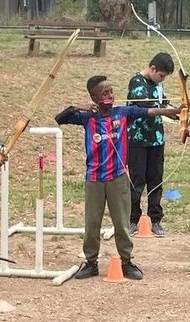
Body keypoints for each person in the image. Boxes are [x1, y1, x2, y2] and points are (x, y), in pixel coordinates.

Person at [55, 75, 180, 281]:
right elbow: (60, 118)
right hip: (94, 178)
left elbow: (150, 111)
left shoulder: (123, 113)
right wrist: (81, 107)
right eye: (105, 93)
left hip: (118, 177)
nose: (110, 95)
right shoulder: (87, 117)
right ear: (95, 97)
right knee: (92, 223)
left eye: (111, 91)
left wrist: (175, 111)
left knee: (121, 222)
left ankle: (127, 261)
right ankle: (91, 262)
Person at [127, 52, 175, 237]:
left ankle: (155, 220)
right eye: (161, 75)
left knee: (156, 179)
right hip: (137, 140)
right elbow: (147, 107)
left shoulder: (159, 85)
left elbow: (165, 105)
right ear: (152, 68)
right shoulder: (136, 82)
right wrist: (171, 110)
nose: (162, 79)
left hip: (156, 139)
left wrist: (180, 113)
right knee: (137, 180)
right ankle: (132, 220)